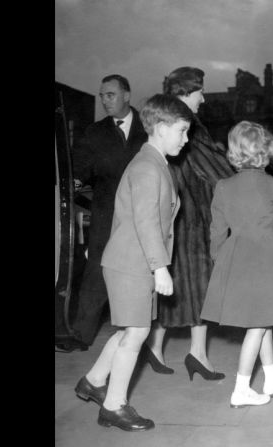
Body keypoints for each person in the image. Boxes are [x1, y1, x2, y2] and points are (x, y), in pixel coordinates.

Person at [74, 94, 193, 431]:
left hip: (131, 260)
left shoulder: (155, 163)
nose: (186, 139)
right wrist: (160, 267)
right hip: (133, 262)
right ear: (160, 127)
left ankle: (94, 380)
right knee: (137, 333)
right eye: (182, 131)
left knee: (130, 329)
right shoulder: (146, 167)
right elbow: (145, 221)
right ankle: (114, 405)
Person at [199, 121, 273, 408]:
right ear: (265, 151)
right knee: (257, 326)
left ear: (234, 152)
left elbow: (216, 231)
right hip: (265, 256)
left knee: (263, 318)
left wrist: (220, 260)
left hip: (235, 254)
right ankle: (241, 389)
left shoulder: (223, 186)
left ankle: (271, 378)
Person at [142, 67, 234, 379]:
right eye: (199, 92)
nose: (203, 98)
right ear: (184, 94)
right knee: (198, 285)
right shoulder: (190, 127)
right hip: (193, 220)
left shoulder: (167, 125)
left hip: (177, 217)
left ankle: (159, 347)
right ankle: (195, 353)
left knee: (176, 287)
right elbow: (217, 170)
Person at [61, 74, 148, 352]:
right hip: (106, 211)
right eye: (102, 96)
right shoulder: (94, 132)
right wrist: (72, 184)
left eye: (110, 94)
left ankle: (147, 338)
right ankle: (82, 335)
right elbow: (81, 168)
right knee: (96, 270)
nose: (105, 100)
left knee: (146, 271)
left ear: (126, 95)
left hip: (142, 210)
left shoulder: (149, 127)